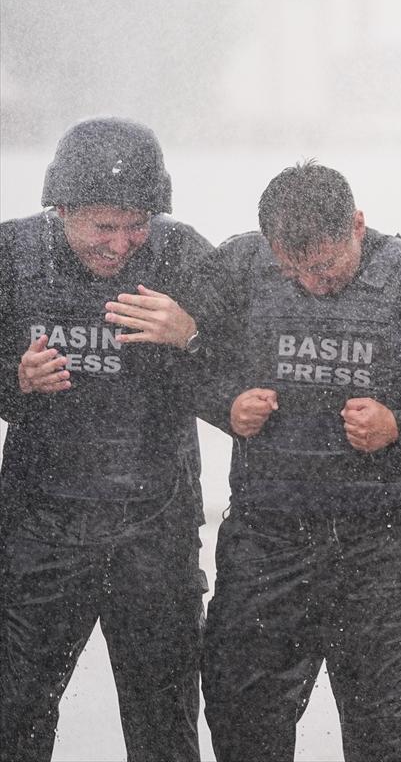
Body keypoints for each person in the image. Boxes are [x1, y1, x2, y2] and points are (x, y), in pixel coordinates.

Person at [191, 161, 401, 762]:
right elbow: (180, 354)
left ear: (358, 226)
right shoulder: (239, 266)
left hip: (386, 545)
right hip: (268, 536)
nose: (311, 282)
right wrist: (225, 405)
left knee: (389, 728)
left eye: (324, 265)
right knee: (242, 716)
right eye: (292, 270)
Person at [0, 118, 211, 761]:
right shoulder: (10, 255)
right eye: (102, 226)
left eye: (136, 224)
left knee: (164, 721)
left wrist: (194, 337)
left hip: (155, 523)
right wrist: (13, 380)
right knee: (15, 714)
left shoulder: (185, 256)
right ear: (60, 209)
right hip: (40, 523)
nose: (120, 244)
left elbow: (249, 378)